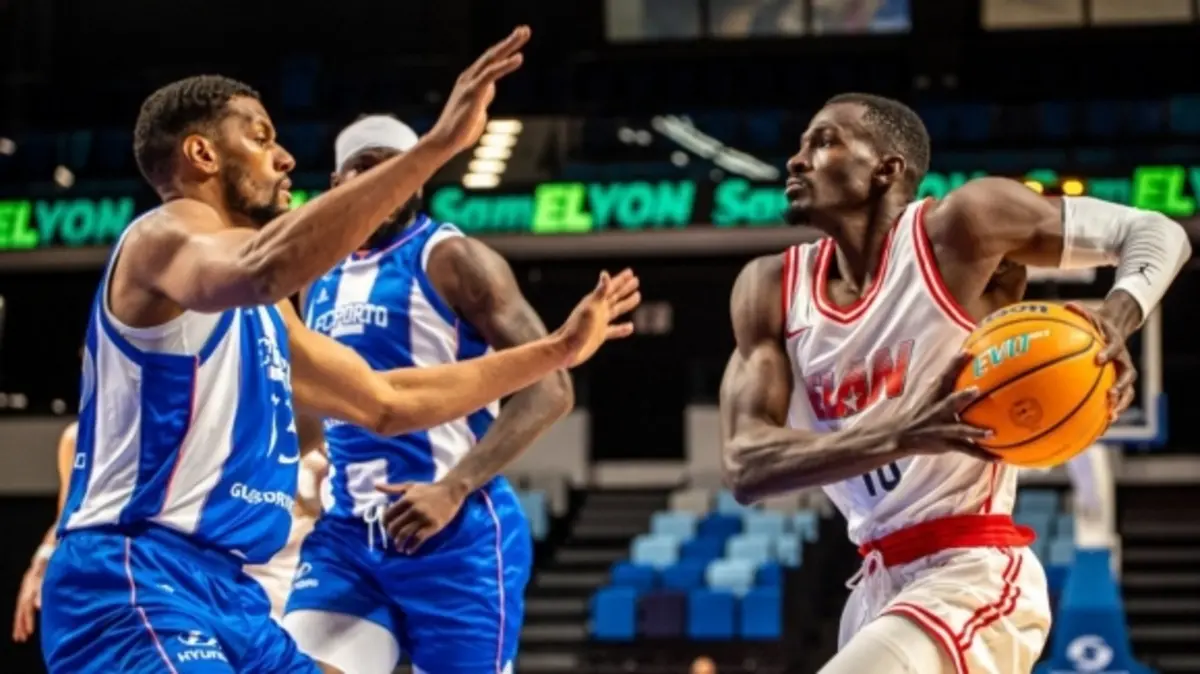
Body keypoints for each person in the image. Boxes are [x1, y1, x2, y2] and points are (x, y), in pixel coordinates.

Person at [40, 26, 640, 674]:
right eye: (261, 136)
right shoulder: (163, 237)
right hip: (138, 576)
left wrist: (554, 350)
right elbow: (267, 264)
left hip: (227, 588)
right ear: (201, 155)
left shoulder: (273, 308)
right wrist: (437, 146)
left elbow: (386, 400)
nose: (284, 157)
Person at [718, 93, 1190, 674]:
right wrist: (903, 434)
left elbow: (1155, 232)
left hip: (972, 570)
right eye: (800, 145)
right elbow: (746, 466)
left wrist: (1117, 318)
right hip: (874, 587)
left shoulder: (965, 225)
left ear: (886, 169)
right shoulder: (769, 288)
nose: (795, 160)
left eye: (823, 141)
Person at [281, 114, 591, 674]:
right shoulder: (315, 276)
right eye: (366, 169)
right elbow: (320, 409)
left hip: (456, 536)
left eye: (397, 169)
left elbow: (552, 388)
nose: (384, 182)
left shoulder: (453, 258)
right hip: (348, 537)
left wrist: (452, 488)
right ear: (336, 184)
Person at [11, 421, 76, 644]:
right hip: (97, 581)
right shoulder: (76, 438)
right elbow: (66, 519)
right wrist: (38, 567)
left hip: (171, 570)